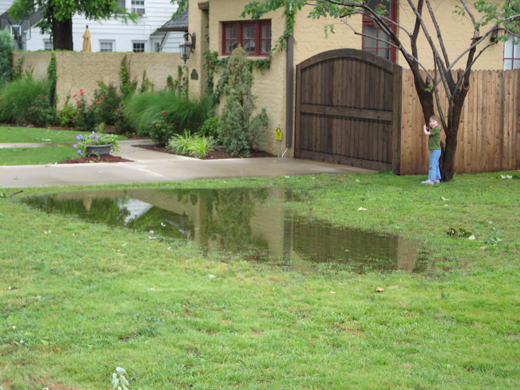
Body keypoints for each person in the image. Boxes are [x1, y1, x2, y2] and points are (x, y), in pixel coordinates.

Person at [422, 114, 442, 184]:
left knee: (432, 165)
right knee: (435, 165)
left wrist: (424, 128)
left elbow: (427, 133)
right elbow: (430, 132)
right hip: (436, 151)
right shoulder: (435, 130)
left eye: (434, 121)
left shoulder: (436, 130)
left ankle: (431, 179)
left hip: (435, 151)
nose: (432, 123)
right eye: (430, 122)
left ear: (438, 122)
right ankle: (437, 178)